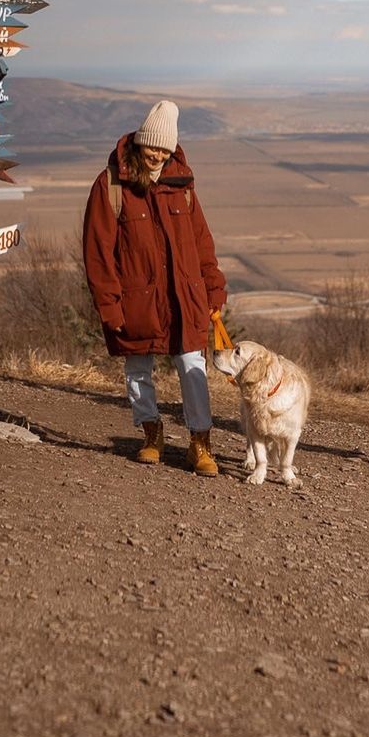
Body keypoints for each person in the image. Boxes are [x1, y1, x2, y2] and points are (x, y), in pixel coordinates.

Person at [82, 100, 227, 477]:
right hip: (137, 298)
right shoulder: (112, 184)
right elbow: (98, 253)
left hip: (184, 296)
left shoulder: (183, 184)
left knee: (192, 365)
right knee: (138, 367)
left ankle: (200, 442)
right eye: (152, 146)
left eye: (164, 148)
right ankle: (151, 434)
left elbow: (202, 243)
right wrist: (109, 305)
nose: (157, 154)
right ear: (140, 141)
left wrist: (214, 290)